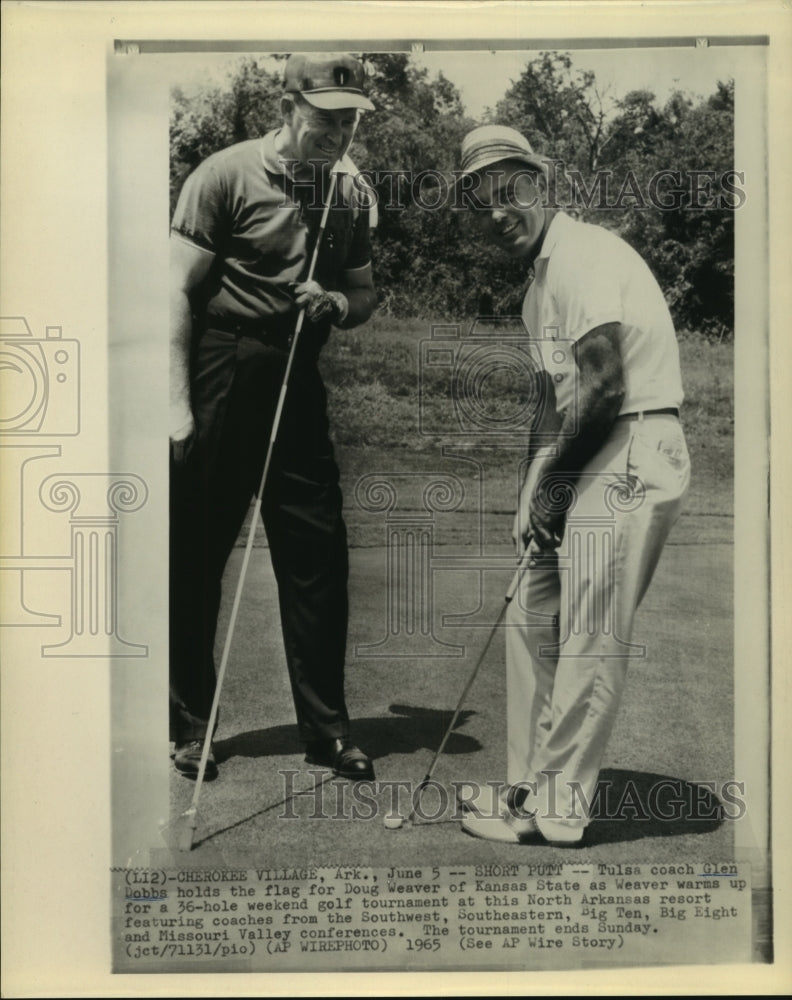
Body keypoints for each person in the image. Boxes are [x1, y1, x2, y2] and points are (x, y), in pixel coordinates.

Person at [455, 125, 691, 845]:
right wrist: (533, 488)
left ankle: (555, 815)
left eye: (513, 189)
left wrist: (555, 484)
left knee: (588, 634)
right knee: (533, 615)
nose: (501, 211)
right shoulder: (537, 291)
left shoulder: (582, 255)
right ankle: (528, 786)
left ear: (542, 186)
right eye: (483, 199)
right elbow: (549, 403)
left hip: (632, 445)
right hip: (589, 447)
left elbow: (604, 383)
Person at [168, 53, 378, 783]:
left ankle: (326, 729)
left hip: (299, 374)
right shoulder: (223, 175)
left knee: (318, 552)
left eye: (351, 118)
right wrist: (175, 403)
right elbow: (172, 293)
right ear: (288, 105)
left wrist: (338, 306)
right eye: (327, 116)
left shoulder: (349, 196)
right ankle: (192, 726)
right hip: (224, 364)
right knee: (196, 552)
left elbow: (363, 295)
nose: (340, 131)